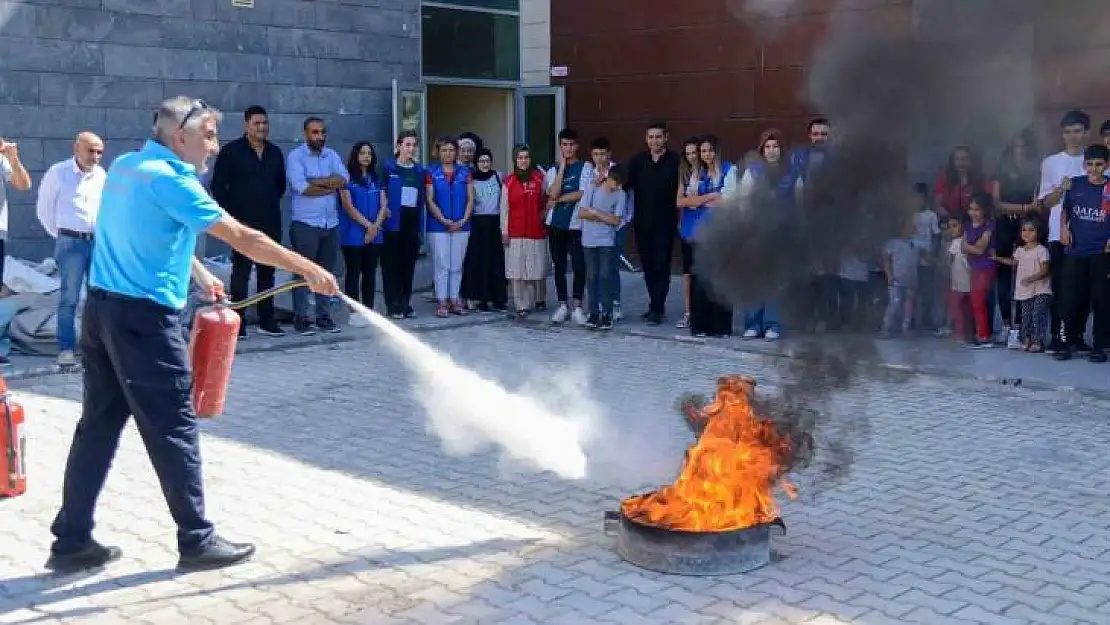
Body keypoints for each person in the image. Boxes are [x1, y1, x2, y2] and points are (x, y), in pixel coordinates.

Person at [46, 97, 339, 573]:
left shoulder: (127, 166)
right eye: (207, 135)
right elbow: (244, 238)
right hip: (143, 323)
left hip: (101, 316)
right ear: (179, 137)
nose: (215, 145)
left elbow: (143, 229)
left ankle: (71, 538)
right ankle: (197, 539)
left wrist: (198, 274)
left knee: (97, 427)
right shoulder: (174, 180)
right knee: (174, 427)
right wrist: (306, 268)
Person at [209, 105, 288, 339]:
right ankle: (238, 322)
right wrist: (231, 216)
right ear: (247, 125)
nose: (262, 127)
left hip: (270, 221)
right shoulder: (232, 152)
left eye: (265, 123)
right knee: (240, 273)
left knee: (267, 272)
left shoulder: (274, 153)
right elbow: (218, 186)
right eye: (257, 123)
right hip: (241, 224)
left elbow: (280, 186)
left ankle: (267, 319)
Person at [35, 132, 106, 367]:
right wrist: (62, 236)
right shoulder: (58, 173)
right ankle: (66, 349)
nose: (95, 157)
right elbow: (44, 209)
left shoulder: (101, 175)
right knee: (70, 298)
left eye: (99, 152)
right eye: (91, 151)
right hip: (71, 244)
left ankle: (94, 348)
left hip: (97, 243)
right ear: (77, 148)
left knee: (98, 297)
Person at [286, 116, 348, 335]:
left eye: (322, 132)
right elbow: (302, 187)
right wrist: (328, 184)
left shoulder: (332, 155)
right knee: (303, 272)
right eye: (315, 132)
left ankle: (323, 317)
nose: (319, 137)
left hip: (330, 224)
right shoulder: (296, 156)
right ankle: (301, 319)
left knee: (325, 273)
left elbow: (343, 179)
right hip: (306, 224)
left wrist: (316, 181)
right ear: (306, 134)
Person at [1055, 144, 1110, 362]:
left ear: (1106, 165)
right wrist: (1063, 228)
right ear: (1084, 164)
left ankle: (1099, 346)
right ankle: (1067, 342)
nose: (1094, 169)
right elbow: (1065, 209)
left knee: (1101, 300)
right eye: (1090, 164)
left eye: (1099, 164)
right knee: (1069, 299)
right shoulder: (1075, 184)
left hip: (1101, 252)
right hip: (1075, 251)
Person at [625, 121, 680, 325]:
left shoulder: (676, 161)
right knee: (648, 265)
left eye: (658, 137)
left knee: (661, 265)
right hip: (643, 223)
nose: (654, 141)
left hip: (666, 223)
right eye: (651, 137)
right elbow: (623, 182)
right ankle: (655, 304)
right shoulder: (638, 161)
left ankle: (657, 308)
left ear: (666, 137)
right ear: (646, 139)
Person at [338, 141, 386, 320]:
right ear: (355, 156)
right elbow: (349, 208)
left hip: (374, 233)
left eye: (369, 153)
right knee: (353, 273)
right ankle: (354, 312)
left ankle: (369, 310)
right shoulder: (346, 180)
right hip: (352, 234)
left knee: (370, 273)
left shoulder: (376, 179)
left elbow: (384, 205)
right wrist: (369, 226)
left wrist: (374, 228)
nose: (366, 156)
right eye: (362, 153)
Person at [544, 128, 588, 325]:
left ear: (577, 146)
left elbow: (582, 193)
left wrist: (559, 198)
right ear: (560, 146)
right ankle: (562, 304)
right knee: (559, 266)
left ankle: (577, 306)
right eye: (564, 145)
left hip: (577, 225)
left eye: (571, 144)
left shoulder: (586, 167)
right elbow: (551, 193)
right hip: (555, 225)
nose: (568, 148)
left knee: (579, 265)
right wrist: (561, 168)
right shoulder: (552, 170)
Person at [381, 130, 426, 319]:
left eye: (413, 145)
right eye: (407, 145)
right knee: (391, 265)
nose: (411, 148)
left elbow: (422, 197)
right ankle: (392, 304)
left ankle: (405, 302)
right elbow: (381, 191)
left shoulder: (419, 171)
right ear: (399, 146)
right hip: (392, 222)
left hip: (412, 221)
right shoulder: (388, 168)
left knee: (408, 265)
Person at [501, 145, 549, 316]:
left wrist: (543, 217)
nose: (523, 161)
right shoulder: (509, 181)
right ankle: (522, 304)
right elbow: (504, 209)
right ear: (515, 160)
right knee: (517, 270)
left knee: (537, 267)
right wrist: (504, 231)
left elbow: (546, 200)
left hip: (536, 230)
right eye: (520, 157)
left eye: (526, 157)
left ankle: (540, 298)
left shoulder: (539, 178)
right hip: (516, 231)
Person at [460, 147, 508, 312]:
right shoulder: (471, 179)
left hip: (495, 222)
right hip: (478, 223)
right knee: (480, 263)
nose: (485, 164)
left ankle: (499, 298)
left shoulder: (498, 176)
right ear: (476, 163)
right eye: (481, 161)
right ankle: (481, 299)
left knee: (496, 262)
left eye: (487, 161)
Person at [579, 165, 627, 330]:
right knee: (591, 277)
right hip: (589, 240)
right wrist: (602, 216)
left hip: (607, 241)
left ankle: (607, 313)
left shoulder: (621, 194)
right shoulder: (592, 188)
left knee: (606, 276)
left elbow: (616, 221)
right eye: (616, 183)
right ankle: (593, 312)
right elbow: (582, 213)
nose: (618, 187)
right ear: (610, 179)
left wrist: (596, 213)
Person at [992, 219, 1051, 352]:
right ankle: (1026, 339)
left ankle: (1038, 341)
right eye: (1024, 230)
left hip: (1040, 290)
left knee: (1037, 315)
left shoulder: (1042, 250)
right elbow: (1013, 262)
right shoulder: (1020, 250)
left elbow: (1045, 270)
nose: (1027, 233)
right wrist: (998, 258)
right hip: (1025, 291)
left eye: (1031, 230)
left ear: (1039, 233)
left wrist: (1031, 278)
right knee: (1026, 316)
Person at [962, 193, 996, 348]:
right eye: (971, 209)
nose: (973, 213)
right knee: (976, 302)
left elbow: (979, 249)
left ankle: (983, 336)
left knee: (978, 301)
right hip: (973, 268)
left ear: (984, 211)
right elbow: (967, 247)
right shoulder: (967, 226)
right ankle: (980, 333)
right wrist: (970, 248)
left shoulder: (989, 227)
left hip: (985, 268)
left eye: (977, 209)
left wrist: (968, 248)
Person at [880, 220, 922, 337]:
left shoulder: (916, 244)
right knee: (895, 303)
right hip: (897, 279)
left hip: (911, 279)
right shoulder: (893, 243)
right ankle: (887, 326)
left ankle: (905, 327)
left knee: (908, 305)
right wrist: (889, 275)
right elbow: (886, 260)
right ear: (902, 229)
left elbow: (924, 257)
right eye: (910, 227)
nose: (912, 230)